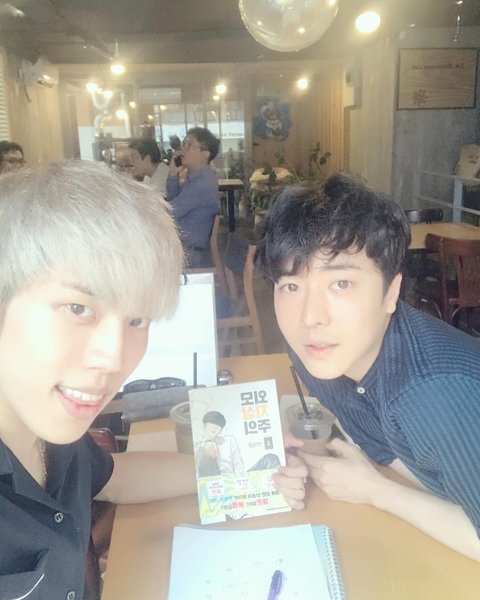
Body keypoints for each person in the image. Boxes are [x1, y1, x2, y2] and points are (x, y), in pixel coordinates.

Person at [255, 174, 480, 561]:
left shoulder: (435, 394)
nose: (310, 317)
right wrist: (310, 456)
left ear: (391, 292)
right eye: (291, 286)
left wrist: (375, 491)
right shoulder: (318, 352)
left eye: (341, 283)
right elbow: (387, 451)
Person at [0, 160, 197, 599]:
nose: (114, 357)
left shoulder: (50, 424)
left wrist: (246, 470)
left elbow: (116, 477)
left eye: (137, 319)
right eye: (78, 308)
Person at [166, 127, 220, 268]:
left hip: (191, 255)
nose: (182, 149)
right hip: (185, 248)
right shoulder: (195, 178)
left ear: (205, 153)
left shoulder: (202, 184)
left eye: (188, 145)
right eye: (183, 144)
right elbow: (174, 200)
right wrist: (173, 174)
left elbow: (171, 213)